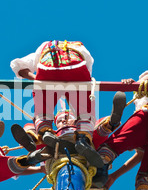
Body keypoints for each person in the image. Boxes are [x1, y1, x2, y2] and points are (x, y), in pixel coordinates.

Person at [10, 39, 102, 167]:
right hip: (77, 67)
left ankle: (44, 131)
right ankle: (82, 139)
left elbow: (18, 66)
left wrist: (38, 80)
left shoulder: (44, 47)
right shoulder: (80, 48)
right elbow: (86, 76)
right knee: (85, 109)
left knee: (43, 104)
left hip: (47, 67)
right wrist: (72, 96)